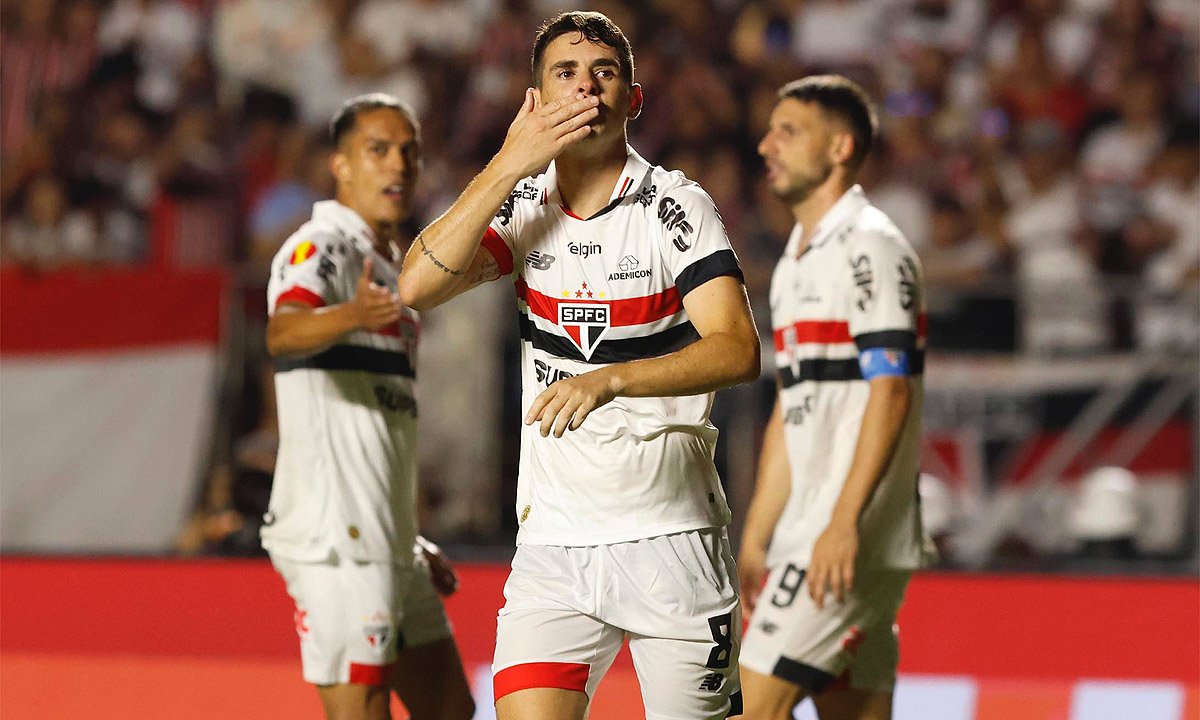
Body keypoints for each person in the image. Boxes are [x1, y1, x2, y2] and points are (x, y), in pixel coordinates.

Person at [396, 11, 760, 720]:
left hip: (671, 540)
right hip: (554, 548)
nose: (586, 87)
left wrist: (610, 379)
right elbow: (416, 285)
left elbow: (737, 348)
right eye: (565, 73)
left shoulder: (674, 208)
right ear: (536, 101)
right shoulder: (524, 206)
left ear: (633, 99)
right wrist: (508, 162)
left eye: (604, 72)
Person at [262, 93, 474, 720]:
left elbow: (381, 424)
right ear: (341, 165)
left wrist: (408, 533)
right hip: (337, 540)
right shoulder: (321, 246)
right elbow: (282, 332)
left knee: (451, 710)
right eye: (377, 150)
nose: (398, 165)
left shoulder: (391, 269)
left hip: (387, 537)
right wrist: (351, 314)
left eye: (409, 152)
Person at [737, 76, 934, 720]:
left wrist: (843, 522)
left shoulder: (871, 246)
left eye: (788, 131)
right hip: (816, 530)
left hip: (845, 533)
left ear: (840, 147)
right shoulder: (795, 261)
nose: (767, 145)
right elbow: (792, 410)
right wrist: (757, 534)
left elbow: (891, 391)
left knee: (744, 708)